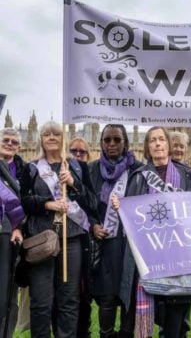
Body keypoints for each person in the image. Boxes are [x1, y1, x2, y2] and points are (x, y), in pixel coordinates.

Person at [119, 126, 191, 338]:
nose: (157, 143)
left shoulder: (186, 175)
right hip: (148, 257)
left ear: (168, 145)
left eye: (161, 139)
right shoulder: (138, 177)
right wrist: (121, 207)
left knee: (175, 322)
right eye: (152, 140)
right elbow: (129, 218)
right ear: (147, 147)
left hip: (179, 255)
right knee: (152, 312)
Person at [20, 121, 97, 338]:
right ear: (41, 139)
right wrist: (47, 203)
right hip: (43, 240)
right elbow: (24, 200)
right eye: (47, 134)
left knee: (69, 300)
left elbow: (92, 202)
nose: (52, 137)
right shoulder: (32, 168)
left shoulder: (77, 167)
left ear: (63, 137)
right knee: (42, 301)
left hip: (71, 239)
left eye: (56, 133)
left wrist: (74, 183)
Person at [88, 124, 142, 338]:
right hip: (104, 243)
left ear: (126, 143)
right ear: (101, 142)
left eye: (117, 140)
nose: (111, 144)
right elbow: (85, 204)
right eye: (107, 139)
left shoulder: (138, 170)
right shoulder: (91, 169)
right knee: (107, 297)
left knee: (127, 293)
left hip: (129, 244)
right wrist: (93, 224)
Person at [0, 128, 26, 337]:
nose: (9, 144)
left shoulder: (23, 170)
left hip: (10, 237)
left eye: (14, 142)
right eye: (5, 140)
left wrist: (18, 227)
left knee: (7, 293)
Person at [69, 137, 93, 338]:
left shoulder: (88, 173)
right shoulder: (56, 174)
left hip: (87, 244)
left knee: (85, 294)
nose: (77, 156)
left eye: (82, 152)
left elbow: (93, 204)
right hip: (65, 244)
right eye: (73, 151)